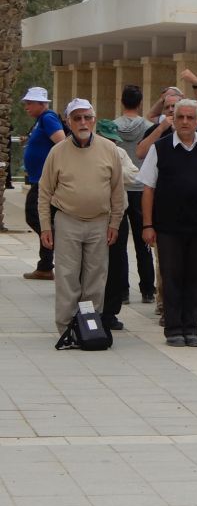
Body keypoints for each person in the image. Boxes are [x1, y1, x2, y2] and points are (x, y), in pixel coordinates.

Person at [138, 99, 197, 348]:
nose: (185, 122)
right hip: (168, 228)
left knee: (196, 279)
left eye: (191, 117)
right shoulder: (160, 148)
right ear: (173, 120)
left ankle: (192, 328)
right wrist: (148, 225)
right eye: (181, 117)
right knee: (172, 278)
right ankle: (173, 328)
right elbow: (148, 189)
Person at [37, 99, 126, 333]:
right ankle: (66, 327)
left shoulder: (109, 150)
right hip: (67, 220)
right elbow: (44, 192)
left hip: (99, 222)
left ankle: (89, 326)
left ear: (94, 120)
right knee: (67, 276)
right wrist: (45, 227)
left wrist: (114, 223)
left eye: (87, 117)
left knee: (95, 278)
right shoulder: (57, 152)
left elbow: (117, 190)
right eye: (77, 118)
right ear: (68, 122)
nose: (83, 122)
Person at [96, 119, 141, 332]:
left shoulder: (120, 154)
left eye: (114, 141)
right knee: (92, 266)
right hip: (93, 217)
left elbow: (133, 175)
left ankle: (110, 312)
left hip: (117, 217)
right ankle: (89, 309)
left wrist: (111, 172)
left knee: (115, 264)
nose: (111, 144)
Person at [113, 84, 156, 304]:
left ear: (122, 101)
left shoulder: (111, 127)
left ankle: (122, 291)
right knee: (144, 242)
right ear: (140, 103)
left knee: (119, 243)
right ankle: (148, 289)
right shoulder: (149, 127)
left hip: (119, 189)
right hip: (142, 188)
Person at [20, 86, 65, 280]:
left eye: (30, 103)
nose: (26, 107)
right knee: (40, 217)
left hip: (45, 180)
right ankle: (45, 265)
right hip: (38, 178)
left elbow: (61, 143)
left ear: (42, 104)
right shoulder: (40, 121)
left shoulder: (48, 118)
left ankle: (54, 243)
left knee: (33, 214)